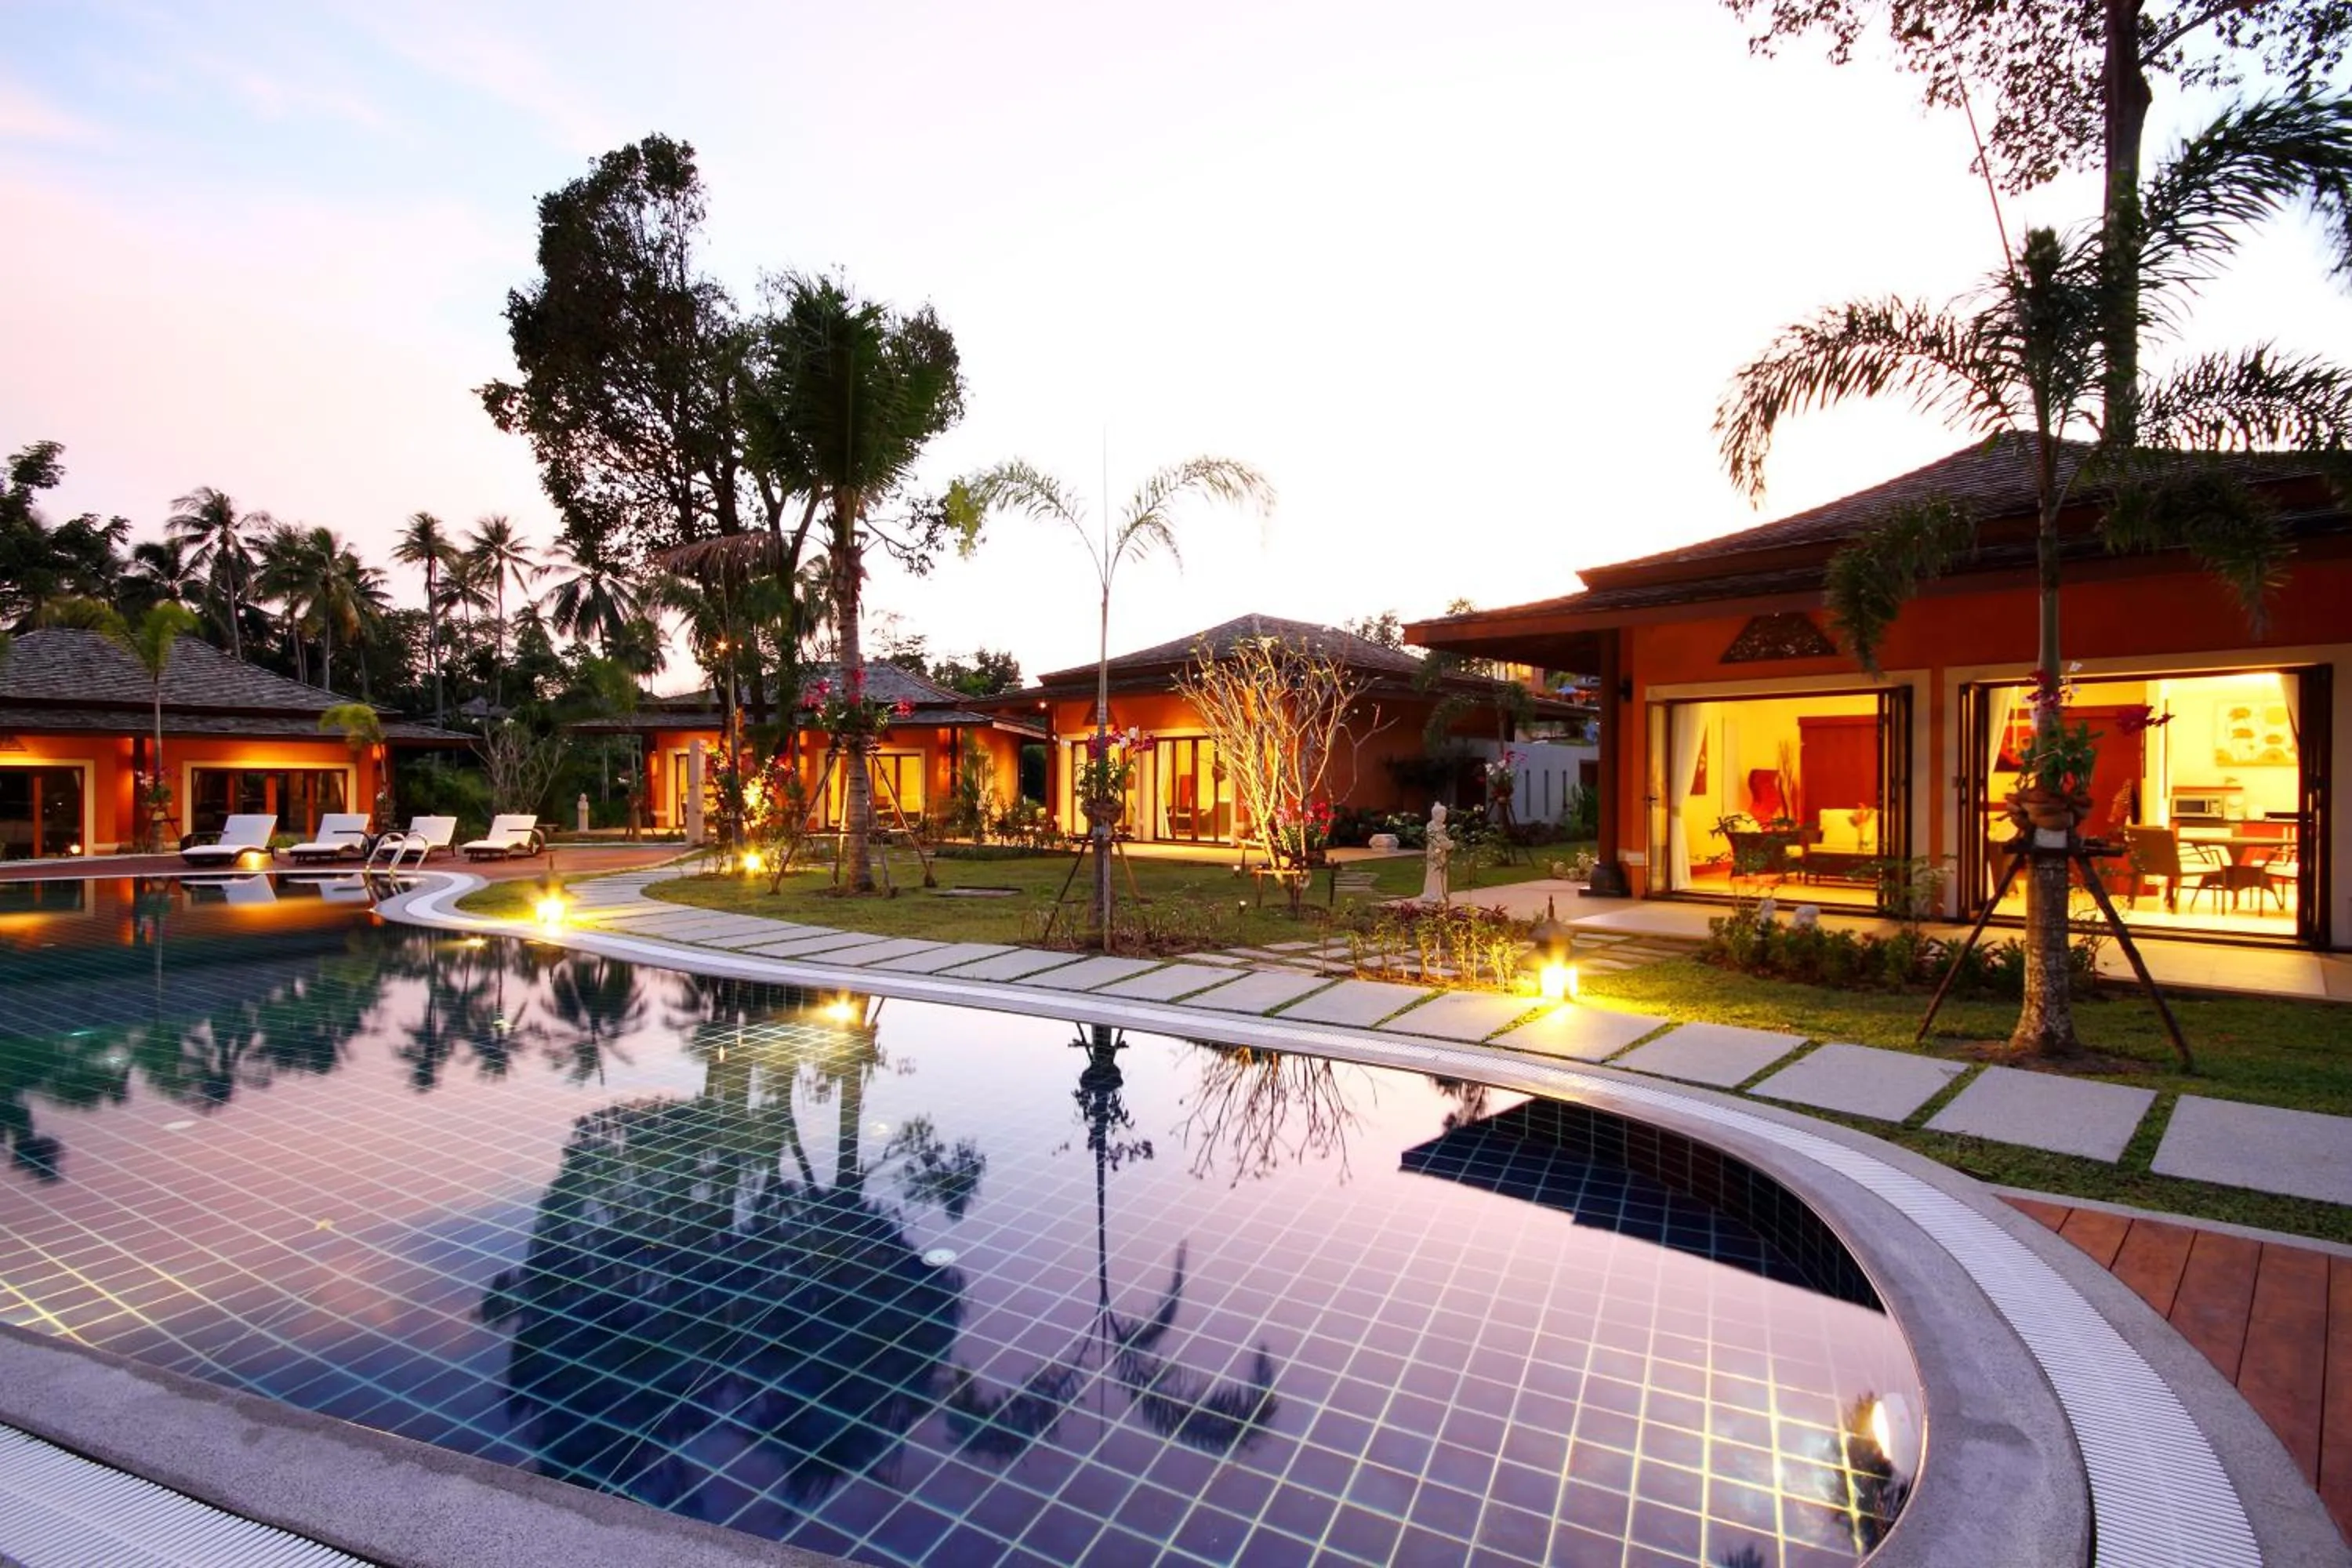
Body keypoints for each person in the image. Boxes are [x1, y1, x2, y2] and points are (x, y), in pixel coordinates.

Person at [1420, 803, 1453, 903]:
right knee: (1433, 872)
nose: (1443, 817)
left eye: (1445, 815)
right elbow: (1432, 839)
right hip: (1434, 851)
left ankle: (1442, 893)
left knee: (1442, 871)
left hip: (1441, 851)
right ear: (1435, 815)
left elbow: (1444, 838)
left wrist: (1448, 843)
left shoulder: (1442, 826)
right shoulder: (1431, 826)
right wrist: (1440, 846)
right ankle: (1432, 894)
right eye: (1442, 815)